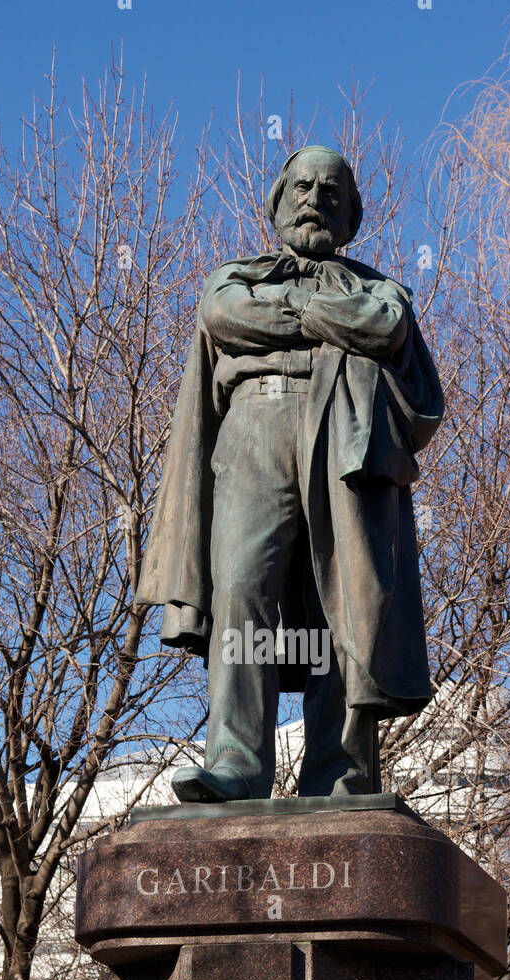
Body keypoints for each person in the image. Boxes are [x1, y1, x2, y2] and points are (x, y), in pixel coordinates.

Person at [135, 145, 444, 802]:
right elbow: (225, 317)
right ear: (277, 202)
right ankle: (236, 764)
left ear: (351, 213)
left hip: (344, 443)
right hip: (253, 431)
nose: (315, 198)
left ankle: (340, 773)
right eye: (302, 187)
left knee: (347, 602)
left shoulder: (377, 288)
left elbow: (384, 325)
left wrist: (293, 312)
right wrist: (324, 322)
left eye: (332, 192)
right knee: (241, 589)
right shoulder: (234, 277)